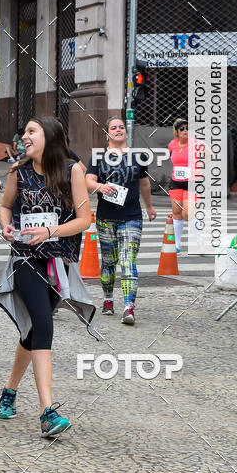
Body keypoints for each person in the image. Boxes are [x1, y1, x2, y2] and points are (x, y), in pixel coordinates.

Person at [0, 116, 94, 437]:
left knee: (34, 329)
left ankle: (9, 390)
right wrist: (6, 226)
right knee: (44, 324)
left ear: (50, 137)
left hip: (59, 261)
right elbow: (5, 206)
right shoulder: (18, 171)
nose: (25, 136)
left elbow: (84, 220)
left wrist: (51, 230)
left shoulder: (72, 171)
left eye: (31, 131)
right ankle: (47, 412)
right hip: (25, 257)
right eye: (24, 131)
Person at [85, 116, 157, 324]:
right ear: (107, 133)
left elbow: (144, 184)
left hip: (132, 216)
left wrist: (149, 206)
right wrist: (99, 187)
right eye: (113, 128)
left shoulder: (138, 156)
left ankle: (129, 308)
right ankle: (108, 299)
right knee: (109, 261)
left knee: (128, 261)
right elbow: (88, 180)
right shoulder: (98, 157)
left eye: (121, 127)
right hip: (106, 217)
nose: (118, 130)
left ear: (126, 131)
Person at [168, 118, 191, 252]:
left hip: (191, 182)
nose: (185, 130)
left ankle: (199, 240)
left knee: (188, 212)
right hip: (176, 182)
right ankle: (177, 245)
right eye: (181, 128)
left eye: (187, 128)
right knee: (177, 213)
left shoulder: (195, 144)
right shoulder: (172, 144)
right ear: (177, 131)